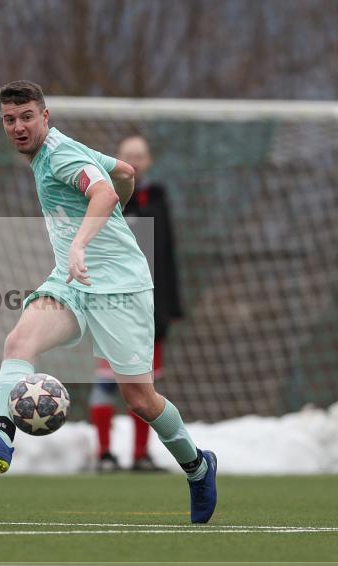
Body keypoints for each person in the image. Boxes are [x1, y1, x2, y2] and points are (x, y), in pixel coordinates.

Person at [0, 81, 216, 523]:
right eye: (9, 120)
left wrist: (83, 244)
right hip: (73, 283)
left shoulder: (60, 155)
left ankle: (197, 465)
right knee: (18, 343)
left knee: (140, 399)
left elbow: (107, 192)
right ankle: (0, 436)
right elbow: (126, 173)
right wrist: (94, 237)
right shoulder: (54, 152)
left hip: (118, 288)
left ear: (45, 116)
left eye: (26, 117)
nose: (18, 127)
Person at [90, 134, 184, 473]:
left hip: (149, 310)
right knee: (105, 383)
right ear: (117, 158)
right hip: (109, 307)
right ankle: (103, 454)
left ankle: (141, 455)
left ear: (150, 161)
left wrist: (171, 307)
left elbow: (167, 256)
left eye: (141, 155)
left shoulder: (157, 200)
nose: (135, 161)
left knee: (146, 387)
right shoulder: (102, 197)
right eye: (128, 155)